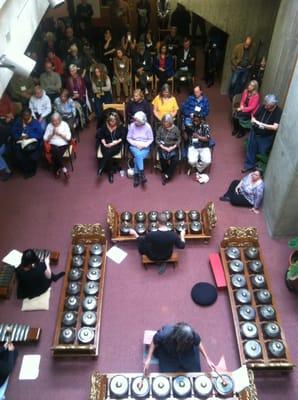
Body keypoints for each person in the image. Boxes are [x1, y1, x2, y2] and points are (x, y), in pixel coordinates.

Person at [144, 322, 215, 372]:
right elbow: (154, 341)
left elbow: (198, 342)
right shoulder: (165, 334)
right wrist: (148, 358)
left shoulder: (191, 334)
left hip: (185, 353)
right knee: (165, 374)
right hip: (169, 354)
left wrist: (207, 359)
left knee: (196, 371)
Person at [242, 94, 282, 173]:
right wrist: (253, 120)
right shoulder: (263, 106)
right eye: (265, 104)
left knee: (261, 153)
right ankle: (248, 165)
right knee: (251, 149)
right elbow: (254, 116)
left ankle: (257, 171)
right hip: (254, 132)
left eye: (268, 105)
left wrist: (261, 124)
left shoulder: (278, 111)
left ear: (273, 105)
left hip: (265, 137)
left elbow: (275, 127)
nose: (265, 106)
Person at [11, 108, 43, 178]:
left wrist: (29, 136)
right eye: (24, 116)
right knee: (18, 153)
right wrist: (19, 137)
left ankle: (32, 170)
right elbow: (13, 131)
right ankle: (26, 169)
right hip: (20, 141)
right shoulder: (19, 121)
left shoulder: (35, 122)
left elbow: (40, 134)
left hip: (32, 142)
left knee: (31, 154)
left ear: (30, 115)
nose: (25, 117)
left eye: (27, 115)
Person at [96, 111, 126, 183]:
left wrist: (114, 143)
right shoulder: (104, 126)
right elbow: (101, 137)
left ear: (117, 120)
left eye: (113, 121)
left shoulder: (120, 126)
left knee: (108, 152)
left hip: (116, 145)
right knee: (108, 153)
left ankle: (101, 167)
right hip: (105, 144)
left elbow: (122, 137)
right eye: (110, 121)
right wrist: (105, 144)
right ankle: (110, 173)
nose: (111, 123)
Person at [127, 111, 153, 187]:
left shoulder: (148, 126)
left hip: (144, 146)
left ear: (142, 121)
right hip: (134, 146)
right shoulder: (132, 126)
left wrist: (144, 145)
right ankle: (142, 173)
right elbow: (128, 138)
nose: (135, 121)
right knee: (138, 154)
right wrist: (136, 144)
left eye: (137, 121)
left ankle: (137, 175)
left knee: (137, 158)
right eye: (135, 119)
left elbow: (151, 139)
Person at [43, 112, 72, 179]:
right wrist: (52, 134)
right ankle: (64, 169)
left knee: (56, 154)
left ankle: (57, 169)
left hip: (63, 144)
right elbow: (45, 138)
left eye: (56, 121)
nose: (54, 123)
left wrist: (60, 134)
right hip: (53, 144)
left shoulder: (65, 125)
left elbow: (68, 138)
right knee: (55, 150)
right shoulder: (49, 126)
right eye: (53, 121)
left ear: (60, 120)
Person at [156, 114, 181, 185]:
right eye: (164, 122)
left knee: (175, 159)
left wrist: (172, 147)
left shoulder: (175, 129)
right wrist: (164, 147)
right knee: (162, 158)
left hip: (172, 146)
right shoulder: (160, 128)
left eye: (166, 122)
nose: (164, 124)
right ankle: (166, 171)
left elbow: (179, 140)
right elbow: (157, 139)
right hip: (163, 146)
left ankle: (167, 175)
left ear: (170, 122)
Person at [0, 93, 16, 181]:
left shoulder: (6, 97)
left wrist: (9, 116)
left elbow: (12, 110)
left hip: (5, 142)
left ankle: (7, 170)